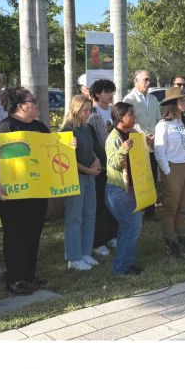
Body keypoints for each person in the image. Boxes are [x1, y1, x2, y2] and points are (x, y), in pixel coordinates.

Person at [0, 88, 50, 295]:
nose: (36, 104)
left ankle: (30, 275)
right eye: (32, 101)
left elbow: (51, 152)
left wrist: (69, 145)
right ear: (21, 106)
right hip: (13, 194)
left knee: (33, 233)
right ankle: (15, 279)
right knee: (15, 235)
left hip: (37, 191)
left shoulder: (40, 127)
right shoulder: (4, 128)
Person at [154, 86, 185, 257]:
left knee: (183, 206)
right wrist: (167, 171)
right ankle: (170, 242)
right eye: (182, 99)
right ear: (173, 103)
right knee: (171, 207)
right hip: (174, 168)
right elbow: (159, 150)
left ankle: (182, 238)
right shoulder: (163, 125)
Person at [61, 94, 101, 271]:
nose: (88, 113)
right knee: (75, 217)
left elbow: (91, 149)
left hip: (90, 175)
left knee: (90, 214)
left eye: (89, 109)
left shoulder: (86, 128)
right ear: (75, 110)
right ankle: (73, 256)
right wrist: (88, 170)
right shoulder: (66, 131)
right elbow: (66, 160)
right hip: (76, 176)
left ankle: (85, 252)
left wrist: (97, 159)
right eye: (85, 110)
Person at [104, 102, 143, 275]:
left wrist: (146, 142)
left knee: (127, 228)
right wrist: (123, 150)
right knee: (131, 227)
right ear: (121, 117)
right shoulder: (114, 138)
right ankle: (120, 268)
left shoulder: (131, 133)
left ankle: (126, 263)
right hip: (118, 191)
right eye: (131, 114)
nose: (134, 117)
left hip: (130, 189)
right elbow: (113, 163)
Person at [123, 70, 160, 217]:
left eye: (149, 79)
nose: (148, 82)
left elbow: (158, 120)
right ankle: (139, 209)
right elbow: (127, 123)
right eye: (145, 79)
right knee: (139, 177)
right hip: (138, 144)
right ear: (136, 81)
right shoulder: (128, 99)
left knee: (151, 177)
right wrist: (143, 137)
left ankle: (150, 211)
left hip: (153, 144)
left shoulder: (153, 99)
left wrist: (155, 136)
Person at [88, 79, 118, 256]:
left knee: (113, 203)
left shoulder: (115, 112)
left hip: (117, 166)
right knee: (100, 204)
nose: (110, 95)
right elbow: (94, 144)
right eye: (106, 91)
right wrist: (106, 160)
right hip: (102, 167)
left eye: (111, 91)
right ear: (97, 94)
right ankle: (98, 241)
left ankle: (112, 235)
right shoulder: (93, 115)